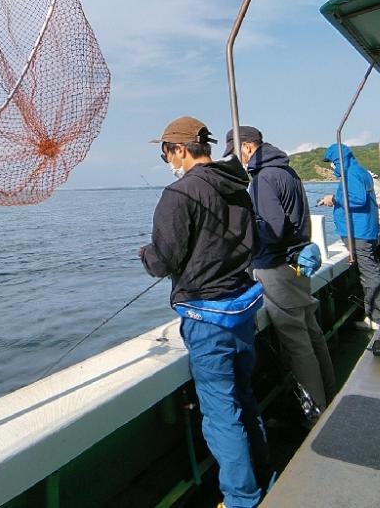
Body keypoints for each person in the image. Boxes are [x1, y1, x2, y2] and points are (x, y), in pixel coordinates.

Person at [139, 116, 267, 508]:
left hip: (207, 321)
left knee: (220, 413)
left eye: (166, 152)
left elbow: (163, 261)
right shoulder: (238, 186)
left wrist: (146, 255)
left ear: (179, 149)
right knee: (245, 398)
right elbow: (255, 243)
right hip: (243, 310)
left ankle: (243, 498)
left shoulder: (179, 194)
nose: (166, 160)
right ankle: (264, 475)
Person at [226, 126, 337, 414]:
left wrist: (240, 235)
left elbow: (272, 228)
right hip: (298, 262)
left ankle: (316, 412)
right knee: (311, 332)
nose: (236, 159)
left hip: (276, 268)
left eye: (236, 152)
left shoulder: (262, 178)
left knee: (296, 343)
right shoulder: (287, 172)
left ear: (247, 147)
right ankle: (331, 392)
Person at [315, 144, 380, 329]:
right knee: (373, 270)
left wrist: (334, 199)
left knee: (369, 273)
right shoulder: (359, 171)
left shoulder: (351, 173)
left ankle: (378, 318)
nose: (332, 166)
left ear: (338, 160)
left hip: (358, 231)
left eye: (332, 162)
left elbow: (358, 199)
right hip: (364, 229)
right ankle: (378, 313)